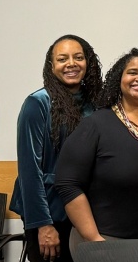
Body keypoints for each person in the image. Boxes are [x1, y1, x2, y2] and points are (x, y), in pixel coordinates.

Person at [55, 47, 138, 251]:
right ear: (118, 79)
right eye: (132, 72)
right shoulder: (95, 124)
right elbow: (68, 183)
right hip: (102, 241)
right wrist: (94, 239)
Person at [10, 35, 103, 262]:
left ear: (88, 62)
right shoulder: (38, 103)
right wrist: (43, 225)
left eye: (78, 57)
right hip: (50, 212)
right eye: (62, 59)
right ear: (52, 67)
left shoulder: (98, 103)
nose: (71, 63)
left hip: (86, 212)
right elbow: (29, 171)